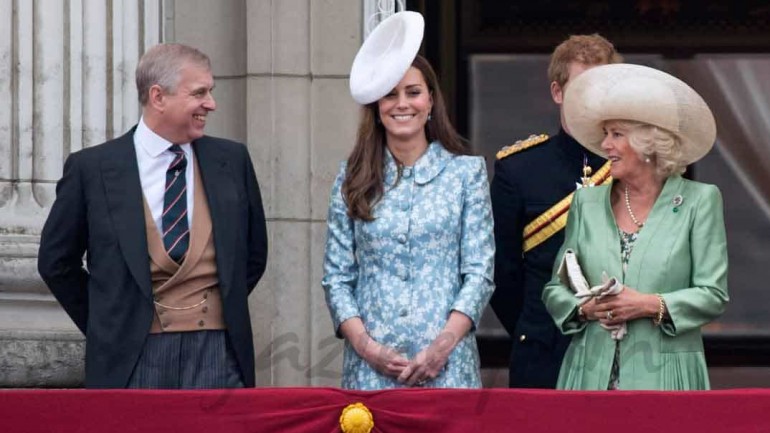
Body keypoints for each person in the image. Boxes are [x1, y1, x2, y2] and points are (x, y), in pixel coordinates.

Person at [37, 43, 268, 389]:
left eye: (211, 92)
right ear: (158, 97)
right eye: (199, 93)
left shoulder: (232, 161)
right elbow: (56, 262)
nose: (211, 103)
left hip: (219, 354)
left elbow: (254, 255)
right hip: (131, 357)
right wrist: (111, 322)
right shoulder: (92, 168)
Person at [322, 11, 494, 390]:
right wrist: (368, 349)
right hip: (371, 371)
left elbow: (480, 273)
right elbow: (336, 279)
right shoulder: (352, 178)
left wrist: (440, 349)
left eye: (413, 92)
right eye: (390, 94)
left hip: (448, 368)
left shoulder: (466, 174)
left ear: (430, 100)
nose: (402, 104)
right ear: (377, 108)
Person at [542, 63, 729, 390]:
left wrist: (646, 304)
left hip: (667, 379)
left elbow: (713, 295)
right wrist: (583, 308)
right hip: (589, 377)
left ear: (649, 143)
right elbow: (556, 289)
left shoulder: (700, 202)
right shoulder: (586, 203)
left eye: (616, 134)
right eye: (605, 135)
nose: (606, 146)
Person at [489, 34, 621, 388]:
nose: (593, 99)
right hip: (544, 353)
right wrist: (536, 328)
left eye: (603, 87)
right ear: (557, 92)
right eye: (581, 87)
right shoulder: (518, 169)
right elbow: (503, 274)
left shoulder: (636, 165)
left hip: (623, 350)